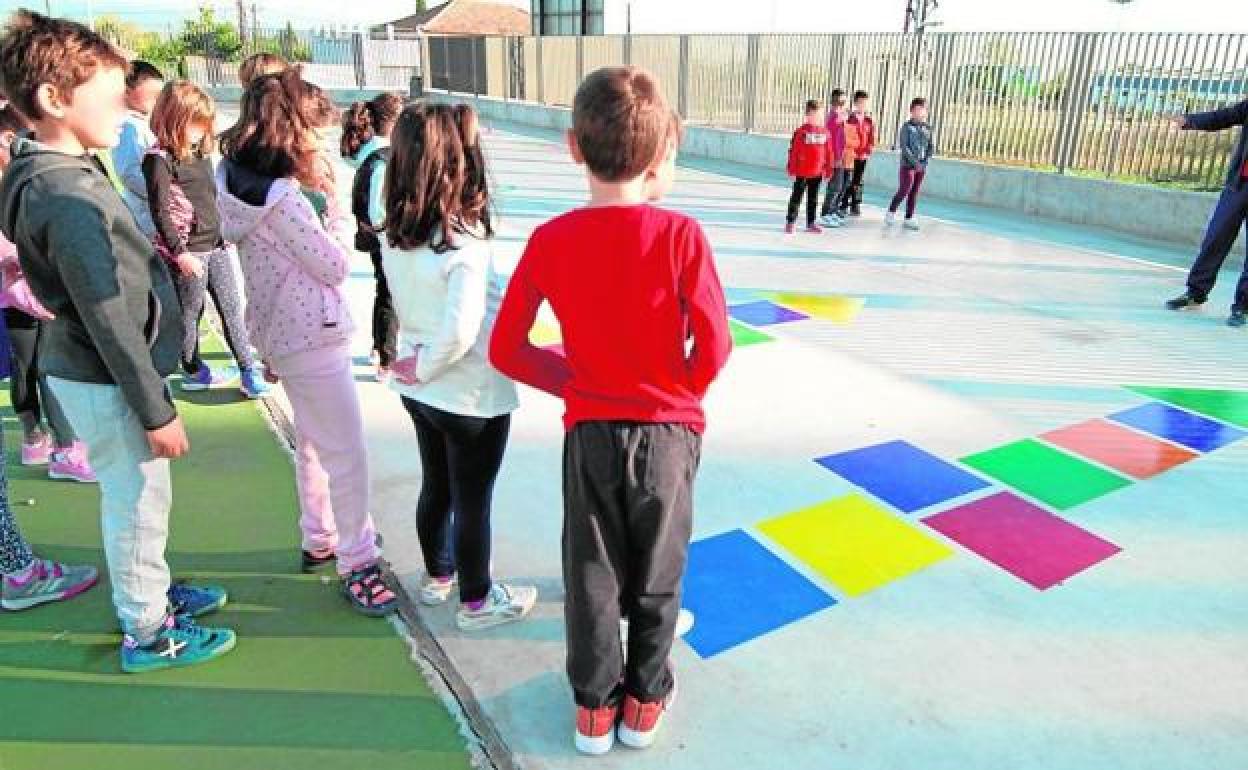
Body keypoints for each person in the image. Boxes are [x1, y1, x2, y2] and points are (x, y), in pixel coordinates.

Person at [490, 65, 732, 756]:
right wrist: (676, 391)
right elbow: (715, 344)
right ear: (660, 155)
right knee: (659, 572)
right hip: (668, 435)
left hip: (590, 433)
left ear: (573, 146)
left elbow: (508, 348)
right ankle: (644, 702)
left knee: (591, 572)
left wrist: (577, 383)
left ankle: (593, 710)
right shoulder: (682, 235)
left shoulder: (550, 240)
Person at [0, 10, 234, 671]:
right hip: (105, 374)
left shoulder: (53, 169)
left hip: (94, 368)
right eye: (109, 94)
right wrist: (155, 409)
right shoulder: (64, 192)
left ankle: (150, 591)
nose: (126, 106)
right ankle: (147, 628)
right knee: (137, 502)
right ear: (54, 99)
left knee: (141, 497)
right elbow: (106, 315)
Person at [217, 70, 397, 616]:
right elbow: (334, 264)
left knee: (315, 443)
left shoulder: (232, 178)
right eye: (315, 130)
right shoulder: (285, 199)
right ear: (292, 129)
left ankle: (320, 535)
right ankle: (358, 560)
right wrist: (334, 207)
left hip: (277, 331)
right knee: (346, 452)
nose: (320, 141)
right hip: (313, 335)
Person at [376, 102, 536, 630]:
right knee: (473, 501)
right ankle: (477, 600)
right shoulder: (465, 243)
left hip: (421, 390)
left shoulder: (396, 235)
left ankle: (438, 575)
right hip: (467, 394)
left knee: (436, 487)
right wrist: (425, 366)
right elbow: (462, 331)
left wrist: (416, 368)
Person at [143, 80, 268, 397]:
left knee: (231, 306)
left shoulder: (199, 153)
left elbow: (211, 196)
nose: (200, 132)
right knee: (190, 312)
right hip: (189, 250)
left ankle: (248, 369)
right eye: (195, 125)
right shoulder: (158, 159)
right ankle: (192, 367)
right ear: (174, 119)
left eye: (204, 125)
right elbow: (161, 212)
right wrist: (180, 253)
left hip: (216, 244)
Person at [0, 103, 96, 483]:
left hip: (43, 288)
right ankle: (42, 438)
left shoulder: (27, 177)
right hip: (17, 293)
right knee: (29, 366)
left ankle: (62, 444)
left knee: (48, 365)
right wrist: (21, 258)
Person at [1164, 97, 1248, 328]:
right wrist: (1189, 120)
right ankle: (1196, 293)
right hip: (1239, 185)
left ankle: (1242, 306)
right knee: (1215, 237)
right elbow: (1223, 117)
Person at [341, 92, 403, 378]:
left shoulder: (370, 153)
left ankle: (379, 347)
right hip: (386, 237)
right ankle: (387, 358)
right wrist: (389, 234)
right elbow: (377, 208)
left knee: (384, 291)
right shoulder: (383, 158)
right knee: (390, 295)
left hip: (375, 236)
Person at [113, 60, 163, 237]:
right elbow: (129, 173)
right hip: (145, 215)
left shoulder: (141, 123)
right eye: (152, 95)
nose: (157, 100)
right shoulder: (129, 127)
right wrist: (163, 194)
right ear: (126, 91)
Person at [784, 98, 833, 234]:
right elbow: (793, 151)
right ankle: (790, 221)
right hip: (802, 172)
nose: (819, 117)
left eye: (820, 114)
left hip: (817, 172)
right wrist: (792, 168)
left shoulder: (825, 132)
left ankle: (811, 223)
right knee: (796, 197)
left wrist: (829, 169)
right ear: (808, 115)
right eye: (816, 114)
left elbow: (829, 152)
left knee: (813, 199)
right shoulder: (801, 132)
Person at [887, 97, 934, 231]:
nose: (919, 112)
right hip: (908, 165)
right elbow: (904, 147)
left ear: (926, 111)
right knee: (905, 190)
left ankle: (909, 217)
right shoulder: (907, 127)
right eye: (916, 109)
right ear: (911, 111)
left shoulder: (928, 128)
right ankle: (891, 212)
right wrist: (915, 162)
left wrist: (925, 161)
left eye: (922, 109)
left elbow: (931, 146)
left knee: (914, 192)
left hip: (922, 166)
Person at [841, 89, 876, 217]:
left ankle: (855, 204)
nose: (862, 105)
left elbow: (872, 138)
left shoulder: (869, 120)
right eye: (860, 102)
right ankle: (843, 204)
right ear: (855, 103)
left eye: (865, 103)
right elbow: (846, 136)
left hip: (862, 156)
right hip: (851, 155)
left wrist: (868, 151)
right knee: (847, 180)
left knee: (858, 181)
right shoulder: (849, 118)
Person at [818, 88, 849, 228]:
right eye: (837, 101)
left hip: (840, 156)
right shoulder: (833, 118)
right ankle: (826, 214)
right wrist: (835, 158)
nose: (840, 104)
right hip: (834, 157)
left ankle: (832, 211)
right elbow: (832, 140)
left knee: (839, 186)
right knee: (834, 187)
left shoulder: (839, 117)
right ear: (832, 101)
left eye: (842, 102)